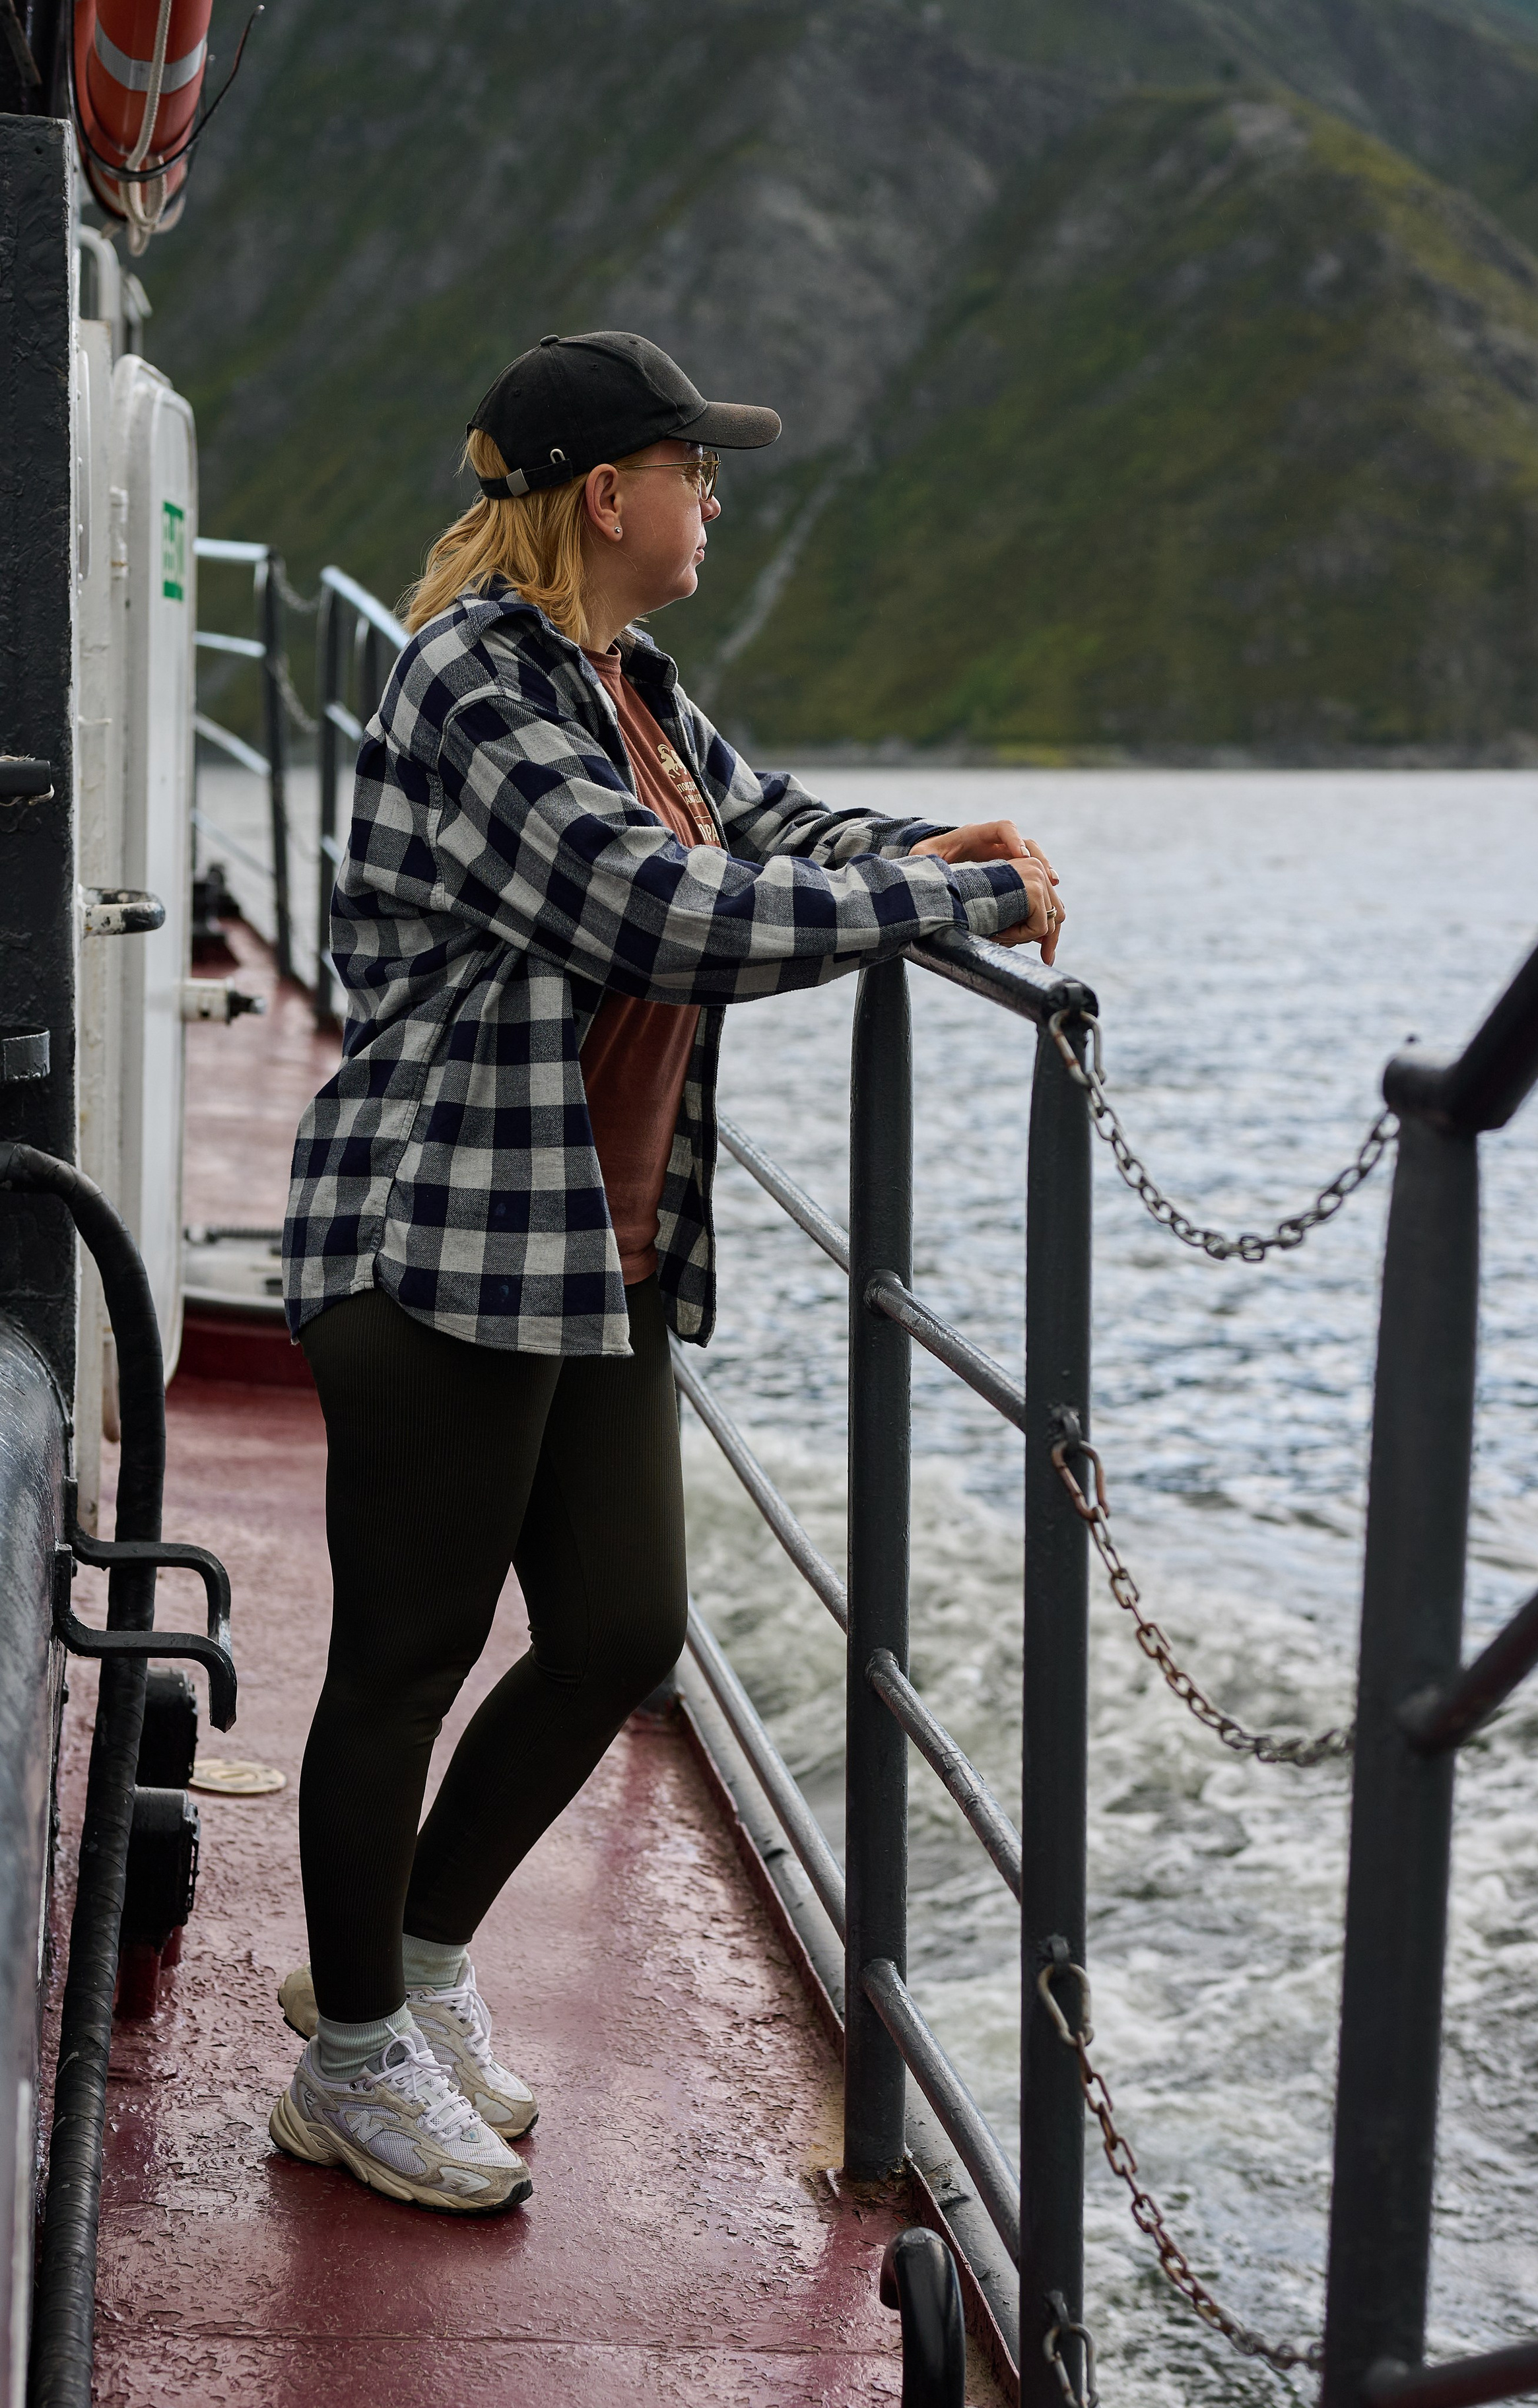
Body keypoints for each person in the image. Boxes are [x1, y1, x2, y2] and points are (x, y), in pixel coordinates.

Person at [269, 331, 1064, 2213]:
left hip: (590, 1251)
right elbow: (661, 910)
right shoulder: (475, 683)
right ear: (605, 493)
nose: (714, 499)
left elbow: (755, 825)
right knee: (404, 1658)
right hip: (439, 1237)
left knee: (620, 1632)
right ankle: (348, 2064)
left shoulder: (622, 681)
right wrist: (955, 895)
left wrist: (923, 840)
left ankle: (407, 1967)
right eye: (695, 470)